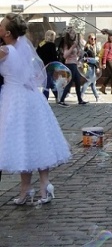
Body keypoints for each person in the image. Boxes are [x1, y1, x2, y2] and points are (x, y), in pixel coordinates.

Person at [0, 13, 71, 205]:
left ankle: (26, 190)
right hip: (31, 98)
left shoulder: (5, 50)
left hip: (15, 99)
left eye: (1, 26)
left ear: (7, 33)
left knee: (23, 141)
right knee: (36, 140)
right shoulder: (20, 49)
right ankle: (43, 187)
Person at [58, 26, 88, 107]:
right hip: (70, 64)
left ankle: (80, 99)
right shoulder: (67, 44)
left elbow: (77, 54)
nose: (73, 34)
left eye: (74, 33)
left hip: (75, 64)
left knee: (78, 82)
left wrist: (79, 52)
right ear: (68, 34)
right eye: (71, 33)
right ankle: (62, 100)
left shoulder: (75, 43)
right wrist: (72, 47)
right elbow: (65, 55)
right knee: (69, 83)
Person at [36, 30, 59, 101]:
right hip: (50, 65)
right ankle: (44, 99)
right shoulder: (52, 45)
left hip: (43, 65)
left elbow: (37, 52)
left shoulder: (41, 43)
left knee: (50, 82)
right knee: (47, 83)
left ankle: (58, 97)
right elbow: (54, 56)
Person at [80, 33, 100, 102]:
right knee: (89, 81)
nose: (93, 40)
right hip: (89, 66)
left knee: (93, 83)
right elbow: (92, 59)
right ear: (88, 39)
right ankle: (81, 96)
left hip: (89, 65)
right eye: (92, 39)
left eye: (94, 39)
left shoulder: (91, 47)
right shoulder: (88, 47)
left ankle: (97, 97)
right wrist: (97, 66)